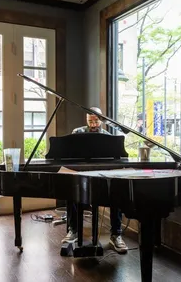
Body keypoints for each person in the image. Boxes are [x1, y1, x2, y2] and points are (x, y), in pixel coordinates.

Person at [61, 107, 128, 254]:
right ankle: (73, 230)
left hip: (102, 175)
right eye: (90, 121)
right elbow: (69, 155)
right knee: (70, 192)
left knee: (116, 193)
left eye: (96, 121)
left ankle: (116, 235)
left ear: (101, 120)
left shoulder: (108, 136)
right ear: (86, 119)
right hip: (82, 174)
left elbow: (115, 159)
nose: (93, 124)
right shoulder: (77, 133)